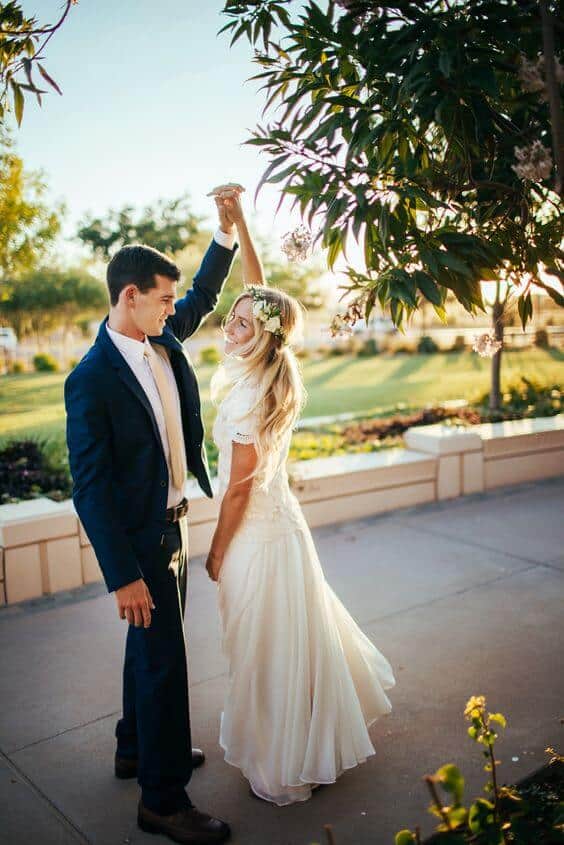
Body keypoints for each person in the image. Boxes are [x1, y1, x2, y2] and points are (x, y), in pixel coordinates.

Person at [64, 188, 243, 844]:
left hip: (175, 521)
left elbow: (200, 295)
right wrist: (123, 575)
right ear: (129, 296)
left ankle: (134, 749)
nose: (174, 308)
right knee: (166, 662)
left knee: (149, 645)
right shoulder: (91, 379)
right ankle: (162, 799)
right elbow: (90, 487)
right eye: (162, 298)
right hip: (141, 540)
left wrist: (223, 238)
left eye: (171, 301)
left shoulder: (161, 336)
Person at [206, 190, 396, 806]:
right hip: (282, 529)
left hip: (255, 538)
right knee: (288, 640)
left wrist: (214, 551)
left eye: (238, 322)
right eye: (230, 316)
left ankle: (284, 760)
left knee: (263, 649)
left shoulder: (249, 396)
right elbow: (259, 292)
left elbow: (237, 488)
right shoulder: (270, 369)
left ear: (258, 335)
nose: (227, 325)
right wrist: (241, 228)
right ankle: (302, 736)